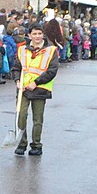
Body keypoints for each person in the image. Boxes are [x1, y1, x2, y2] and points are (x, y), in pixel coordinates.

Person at [11, 25, 58, 156]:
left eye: (39, 34)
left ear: (43, 35)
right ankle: (21, 143)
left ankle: (36, 145)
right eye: (34, 34)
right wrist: (17, 81)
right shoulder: (22, 50)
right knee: (21, 115)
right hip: (23, 88)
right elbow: (16, 68)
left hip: (40, 88)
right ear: (29, 35)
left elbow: (52, 70)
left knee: (37, 119)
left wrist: (36, 82)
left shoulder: (51, 51)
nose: (37, 36)